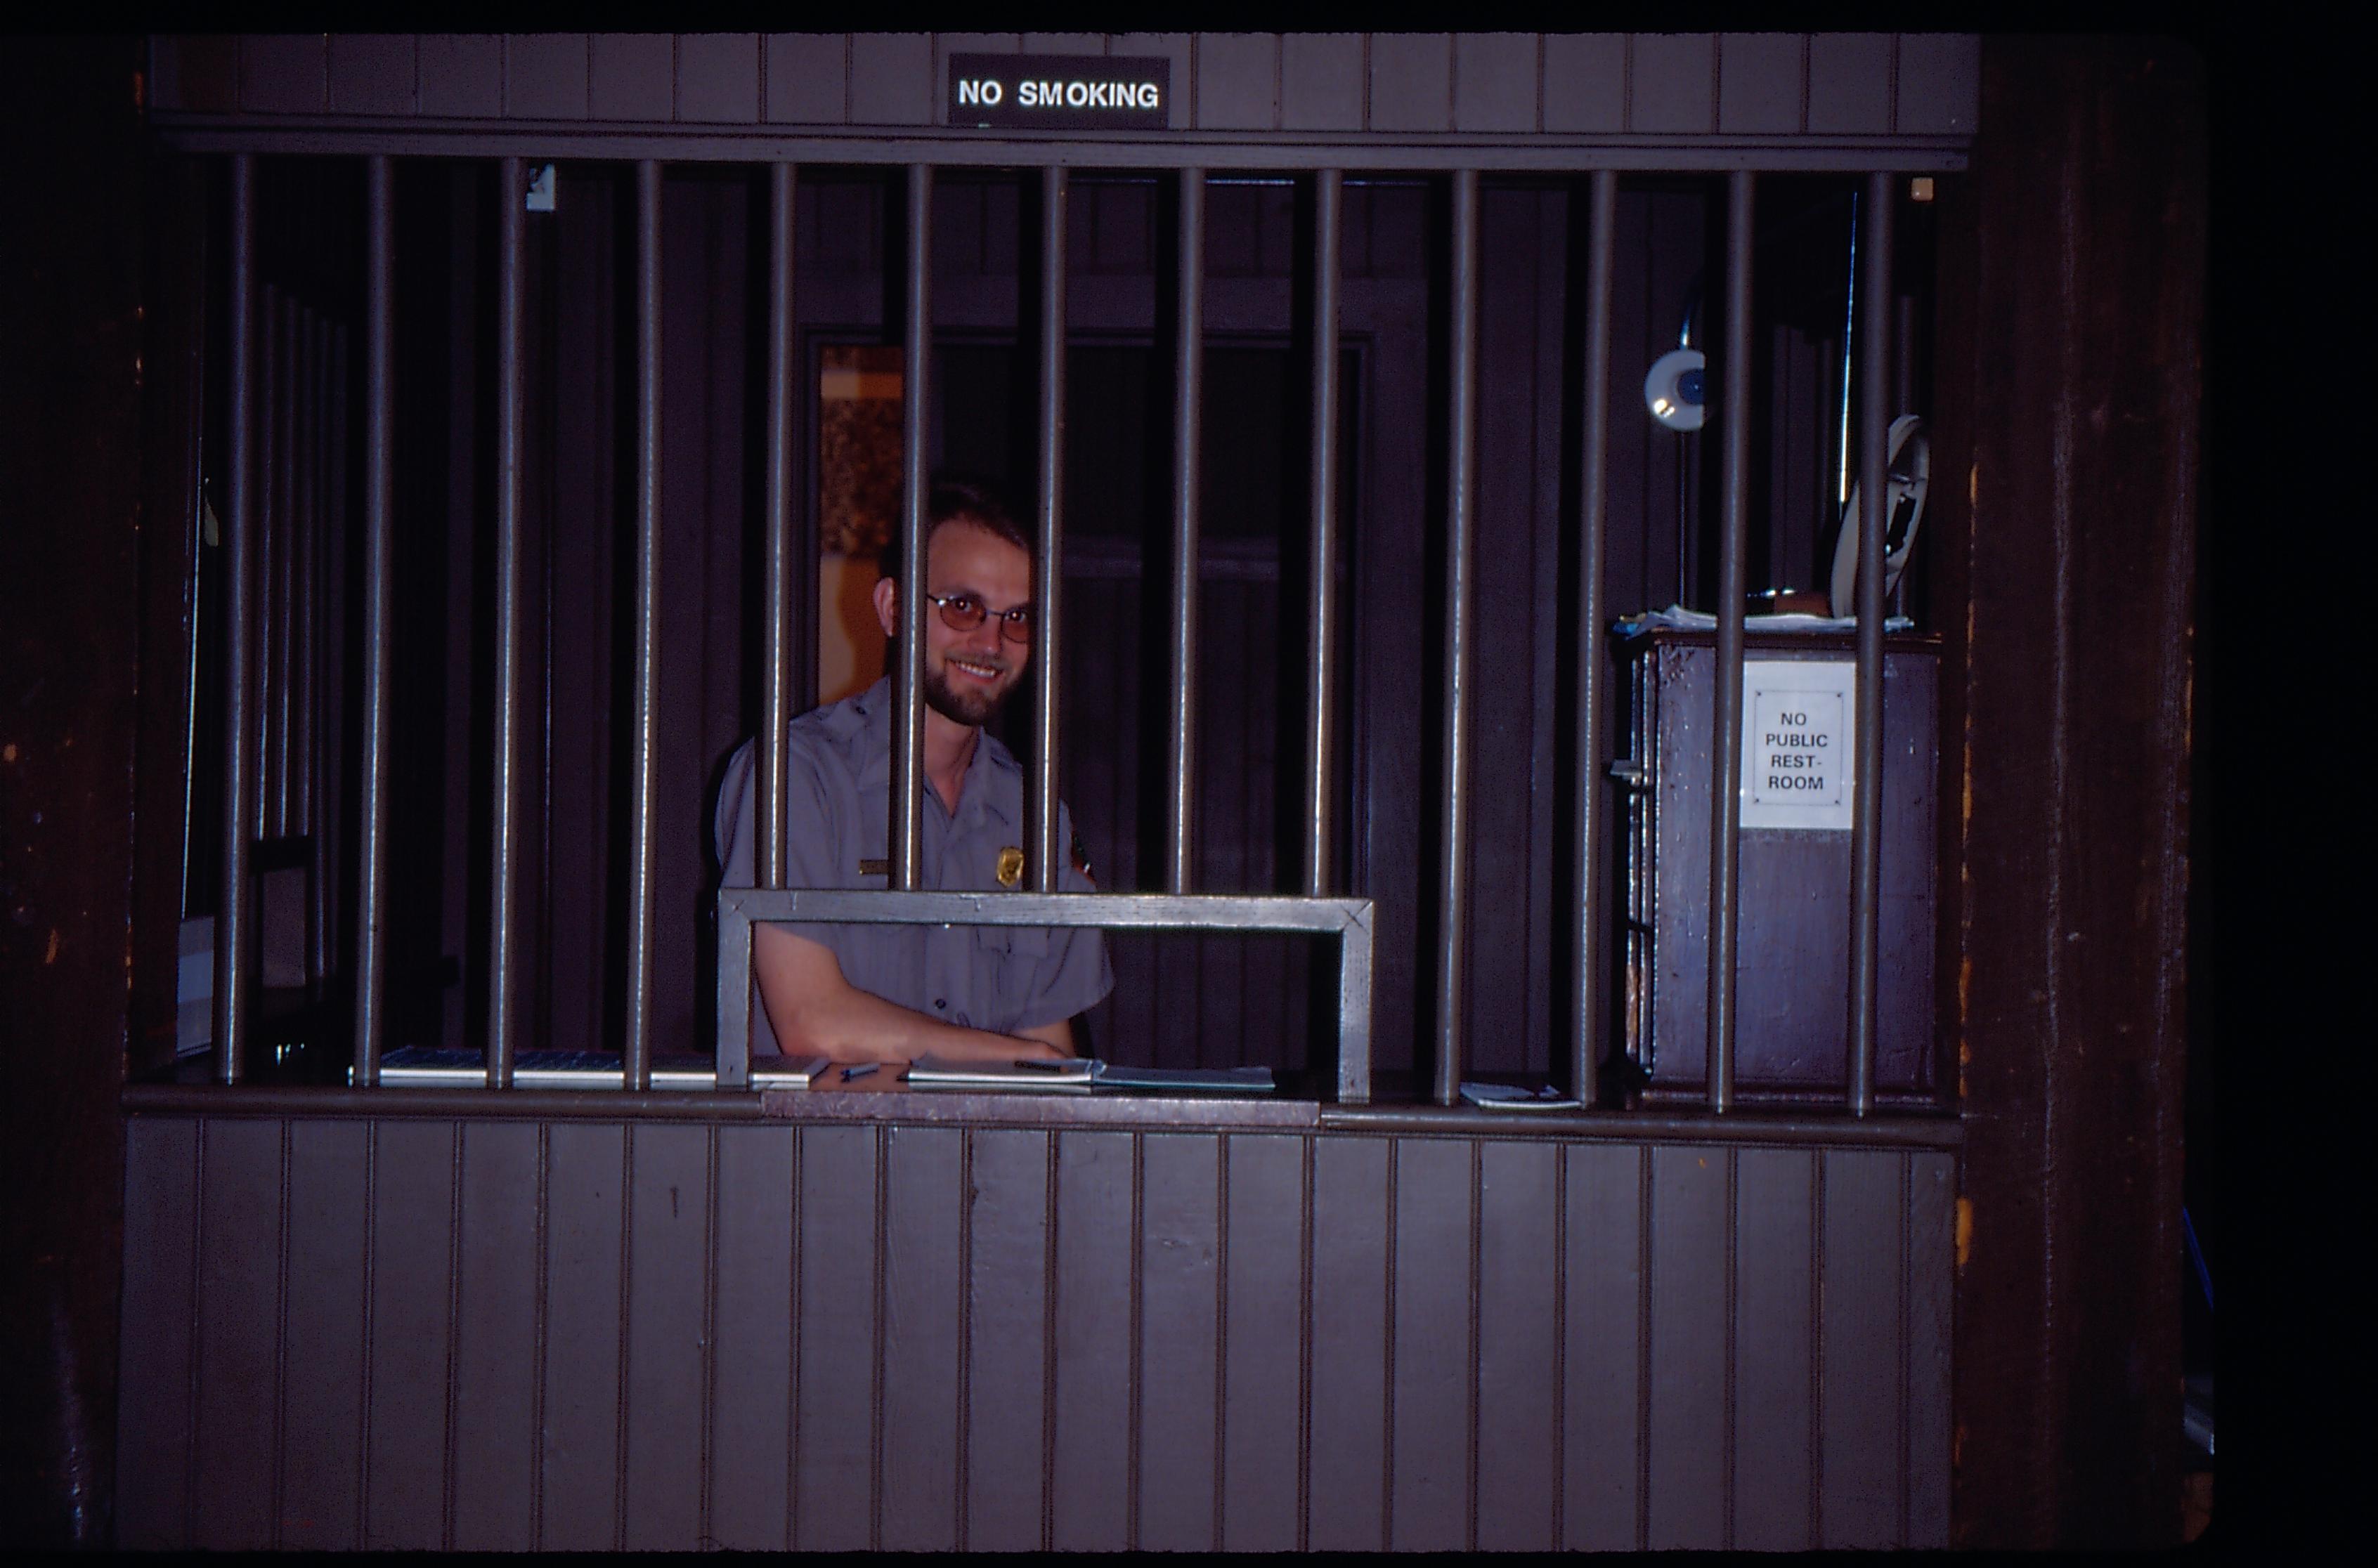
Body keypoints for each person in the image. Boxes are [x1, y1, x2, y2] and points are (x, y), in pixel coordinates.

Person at [713, 479, 1111, 1065]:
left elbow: (1052, 1054)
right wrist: (1013, 1059)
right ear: (892, 608)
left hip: (986, 1157)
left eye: (1019, 617)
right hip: (818, 1156)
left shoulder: (1035, 819)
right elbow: (809, 1020)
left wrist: (1028, 1062)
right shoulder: (796, 779)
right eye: (962, 606)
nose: (992, 639)